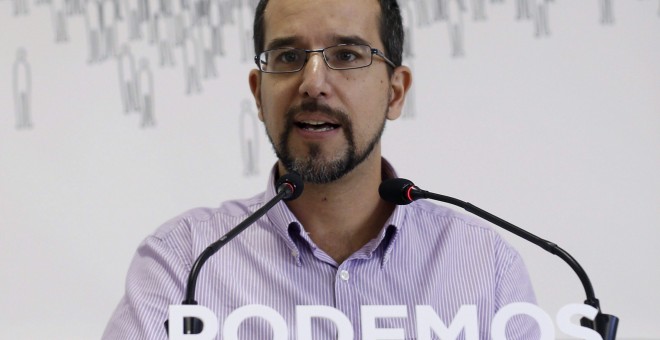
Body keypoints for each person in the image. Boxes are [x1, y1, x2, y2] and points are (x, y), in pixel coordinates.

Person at [103, 0, 539, 339]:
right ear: (258, 94)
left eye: (347, 55)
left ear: (395, 91)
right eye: (288, 56)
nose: (312, 82)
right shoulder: (183, 262)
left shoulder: (485, 268)